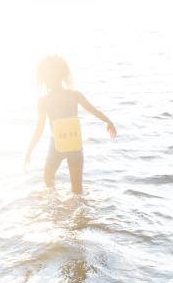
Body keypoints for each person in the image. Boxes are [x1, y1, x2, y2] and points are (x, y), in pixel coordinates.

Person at [25, 55, 117, 194]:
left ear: (44, 79)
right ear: (63, 74)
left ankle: (54, 207)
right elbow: (94, 111)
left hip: (56, 145)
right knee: (77, 190)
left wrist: (29, 150)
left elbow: (39, 129)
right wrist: (108, 121)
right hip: (74, 145)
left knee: (48, 178)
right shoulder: (74, 95)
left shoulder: (44, 101)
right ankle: (78, 212)